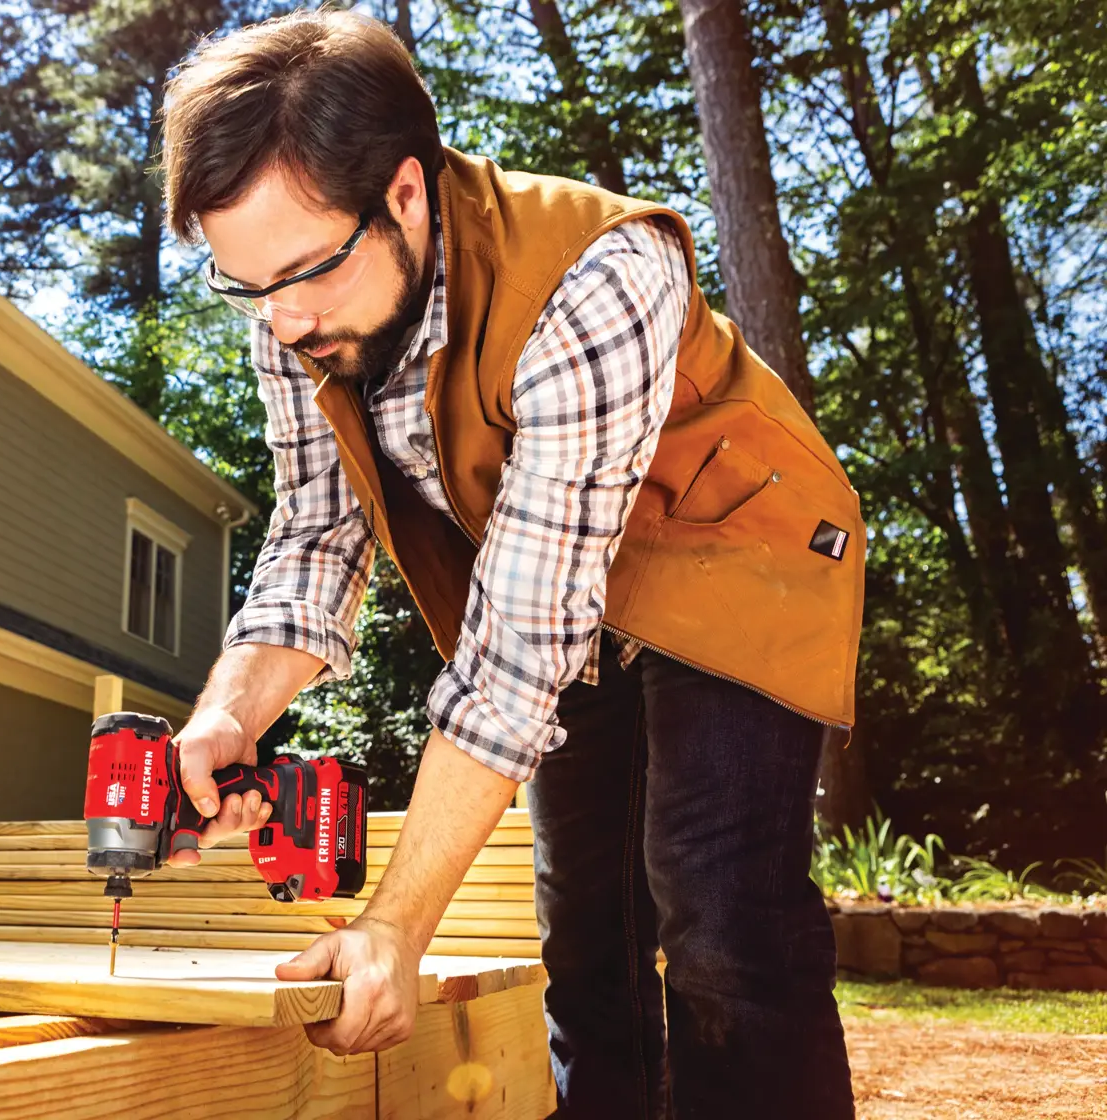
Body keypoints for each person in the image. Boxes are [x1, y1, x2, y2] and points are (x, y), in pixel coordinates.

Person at [157, 10, 863, 1117]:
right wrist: (230, 718)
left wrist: (394, 923)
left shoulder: (598, 276)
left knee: (719, 917)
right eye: (249, 289)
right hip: (564, 590)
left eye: (302, 276)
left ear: (404, 193)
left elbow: (518, 650)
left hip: (736, 551)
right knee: (587, 936)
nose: (283, 323)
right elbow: (316, 531)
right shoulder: (295, 307)